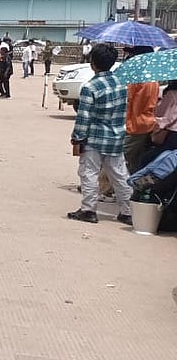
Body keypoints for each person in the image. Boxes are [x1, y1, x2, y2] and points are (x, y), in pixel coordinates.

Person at [68, 44, 132, 225]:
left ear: (92, 63)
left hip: (94, 139)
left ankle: (88, 210)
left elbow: (83, 117)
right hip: (116, 138)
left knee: (89, 173)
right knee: (120, 175)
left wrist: (77, 137)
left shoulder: (90, 87)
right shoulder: (121, 85)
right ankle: (127, 211)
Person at [123, 46, 159, 174]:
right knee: (135, 159)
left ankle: (105, 186)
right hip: (147, 123)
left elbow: (127, 101)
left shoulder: (136, 78)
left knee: (120, 158)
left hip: (134, 124)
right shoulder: (153, 78)